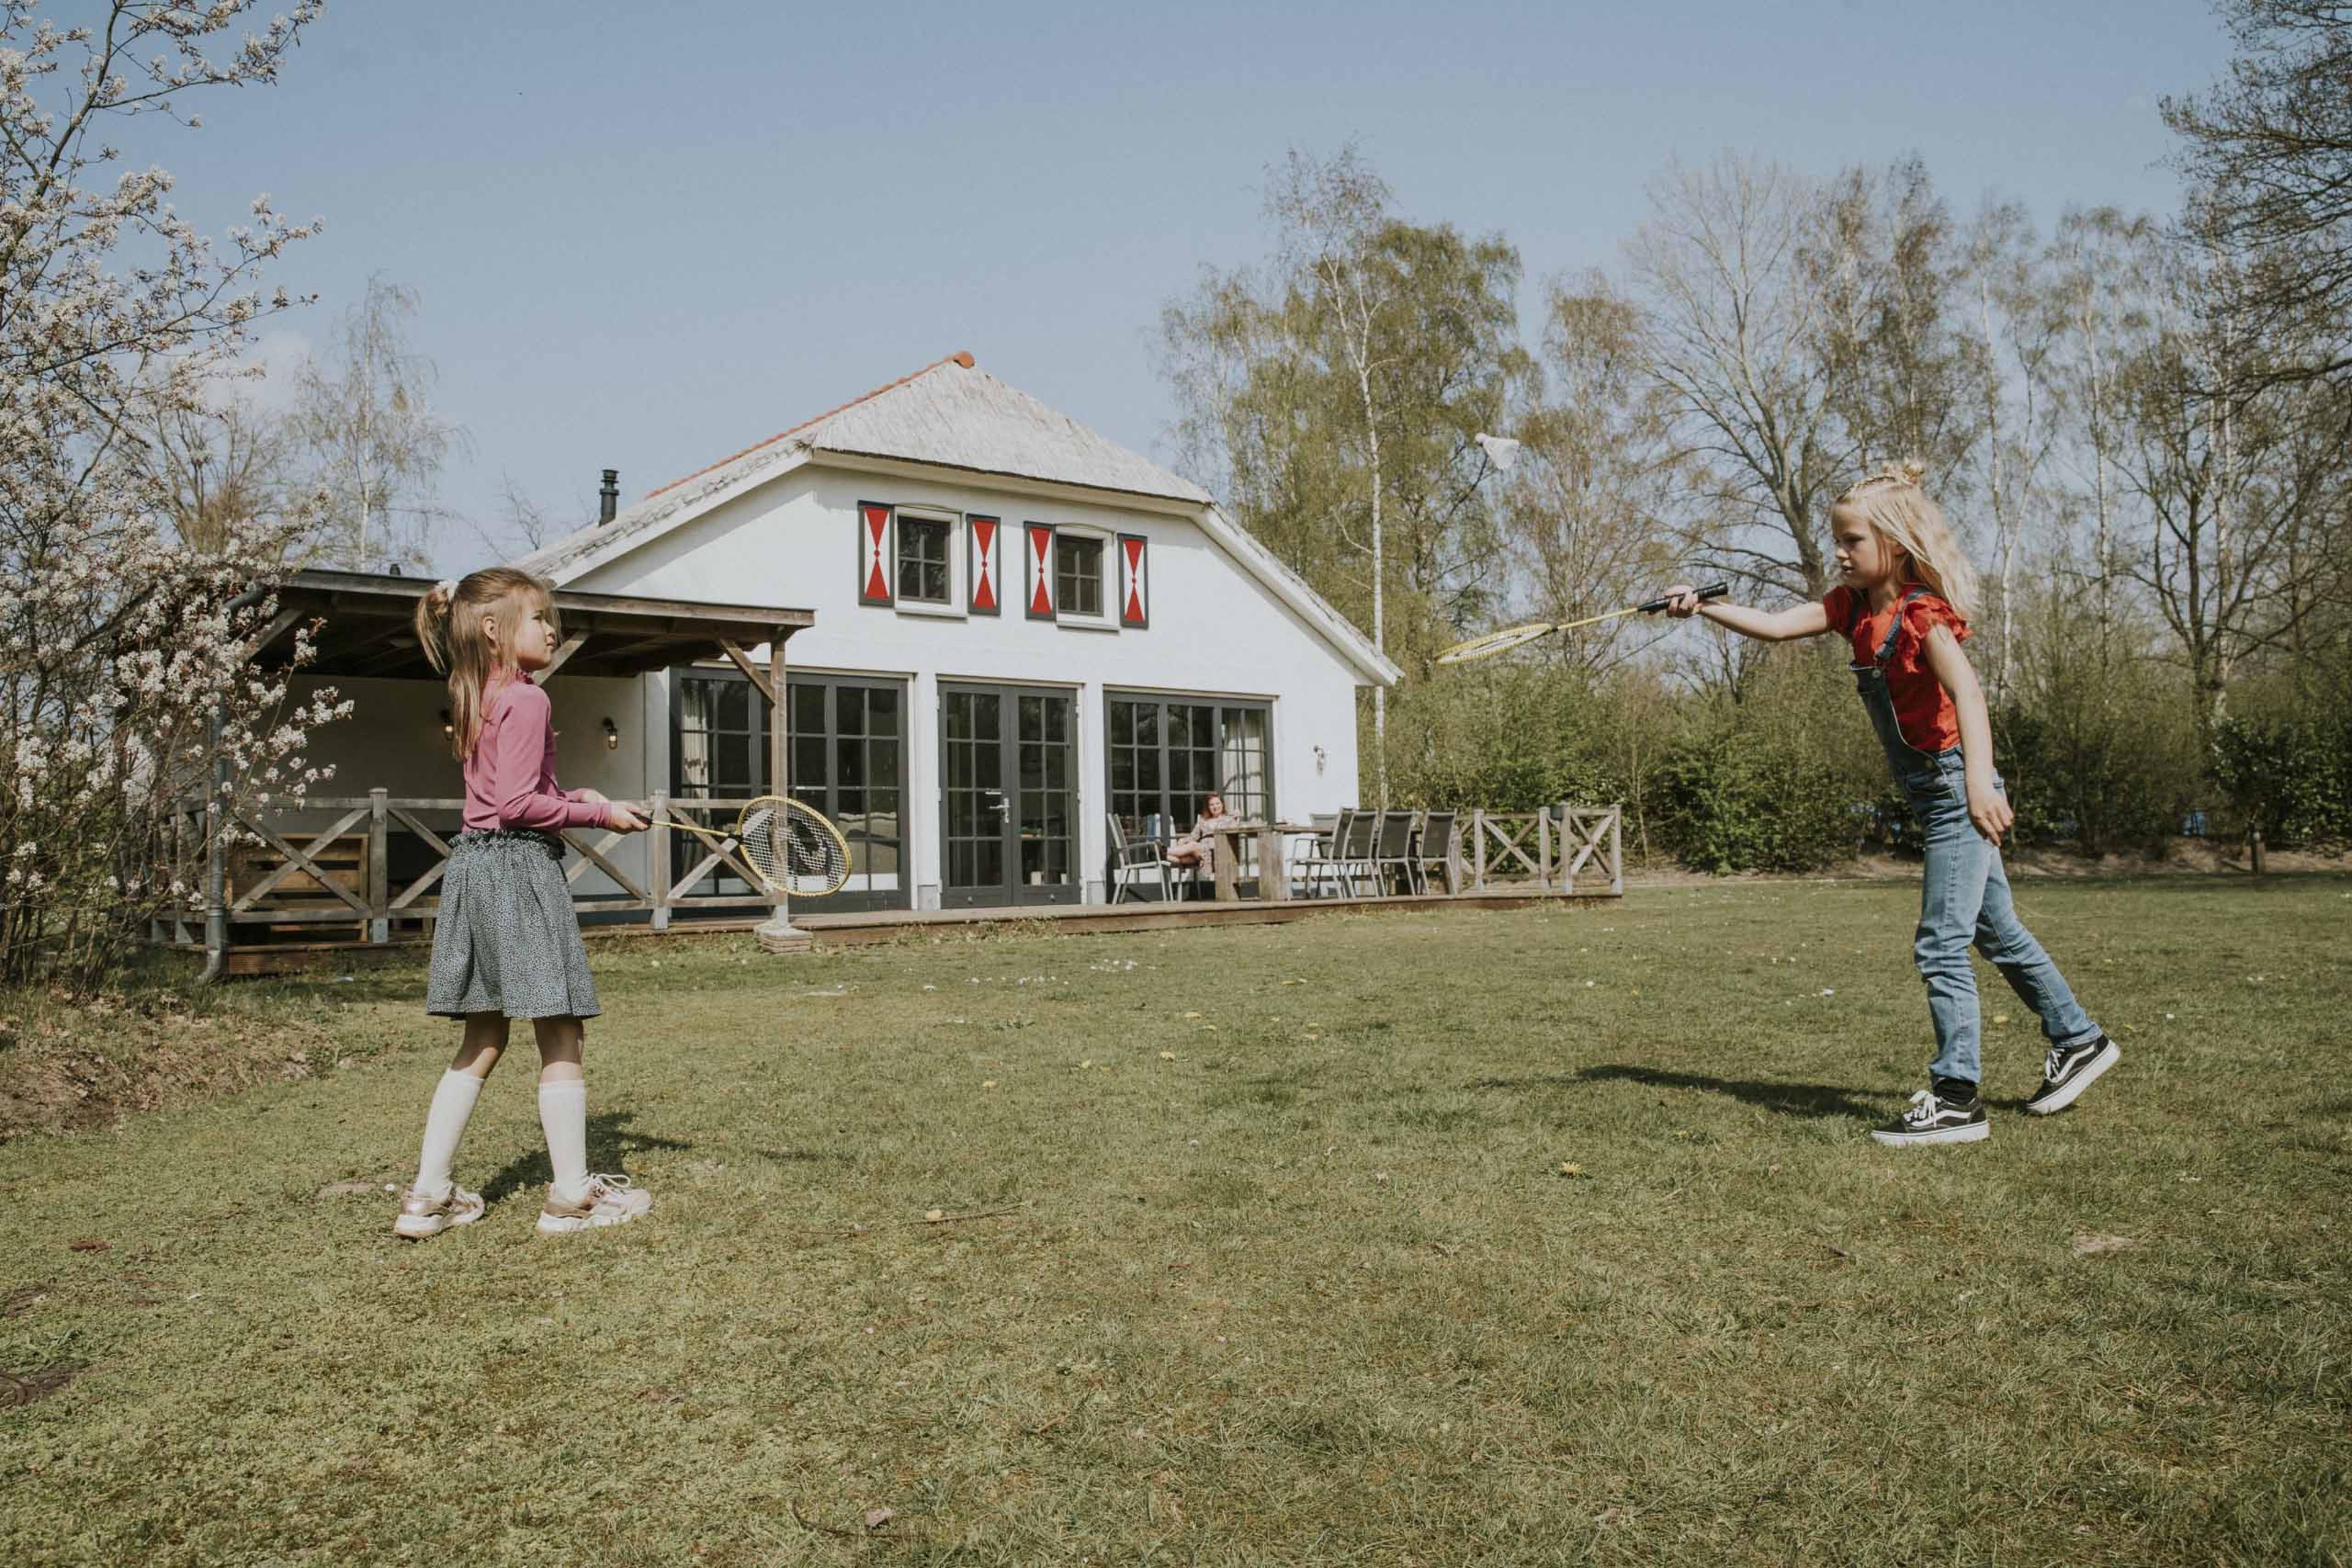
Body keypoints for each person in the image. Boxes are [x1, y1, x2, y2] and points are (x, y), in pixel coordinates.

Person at [1660, 461, 2119, 1147]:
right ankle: (2079, 1039)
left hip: (1955, 789)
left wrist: (1979, 784)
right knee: (1997, 934)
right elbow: (1780, 625)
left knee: (1941, 945)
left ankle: (1957, 1097)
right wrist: (1704, 606)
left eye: (1852, 542)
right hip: (1936, 792)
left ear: (1895, 547)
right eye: (1838, 541)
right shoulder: (1851, 610)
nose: (1839, 554)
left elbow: (1970, 696)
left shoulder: (1921, 614)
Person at [394, 568, 657, 1238]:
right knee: (562, 1030)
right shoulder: (528, 698)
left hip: (475, 871)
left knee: (482, 1036)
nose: (551, 629)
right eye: (539, 617)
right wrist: (598, 815)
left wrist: (585, 800)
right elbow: (518, 806)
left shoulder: (477, 691)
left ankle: (428, 1197)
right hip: (516, 873)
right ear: (494, 629)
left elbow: (515, 794)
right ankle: (571, 1197)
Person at [1162, 791, 1238, 883]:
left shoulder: (1229, 819)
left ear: (1222, 804)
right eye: (1212, 805)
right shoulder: (1203, 821)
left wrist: (1237, 819)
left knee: (1192, 847)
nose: (1215, 807)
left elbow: (1235, 833)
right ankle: (1159, 855)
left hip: (1218, 853)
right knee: (1184, 858)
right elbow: (1193, 836)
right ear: (1208, 807)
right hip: (1202, 853)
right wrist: (1184, 840)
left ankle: (1163, 850)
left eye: (1218, 804)